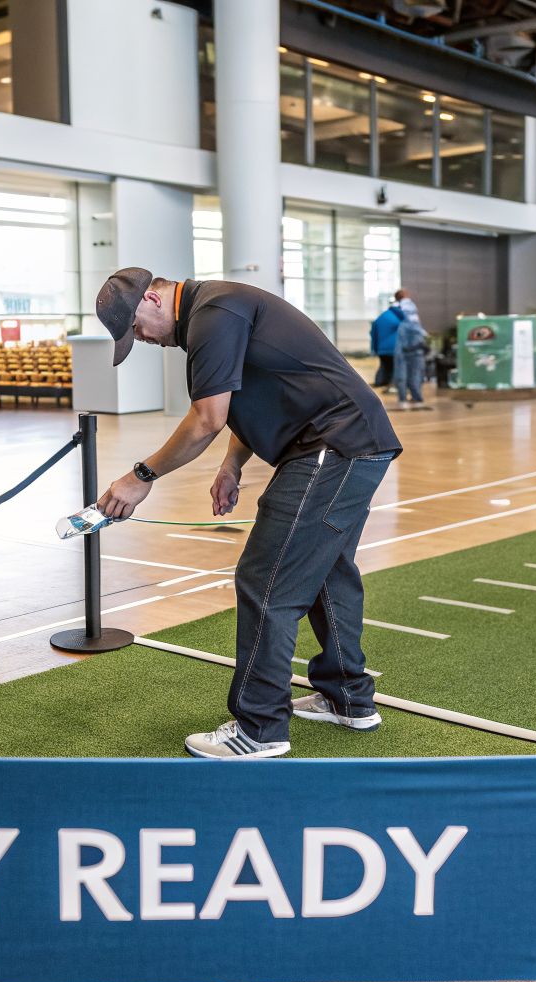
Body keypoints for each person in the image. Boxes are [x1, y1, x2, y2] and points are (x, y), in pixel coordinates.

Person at [91, 268, 402, 758]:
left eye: (136, 329)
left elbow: (206, 419)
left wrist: (139, 478)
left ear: (152, 299)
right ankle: (349, 699)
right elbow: (255, 394)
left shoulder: (214, 314)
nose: (142, 340)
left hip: (333, 444)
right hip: (348, 443)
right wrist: (232, 464)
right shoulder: (216, 310)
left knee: (267, 580)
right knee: (325, 572)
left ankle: (259, 729)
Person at [394, 303, 430, 410]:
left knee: (411, 377)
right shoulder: (408, 325)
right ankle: (410, 398)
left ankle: (410, 398)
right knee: (410, 377)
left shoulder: (407, 325)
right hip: (408, 354)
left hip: (410, 354)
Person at [370, 296, 402, 390]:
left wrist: (374, 349)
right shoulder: (399, 319)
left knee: (384, 366)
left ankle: (379, 382)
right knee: (394, 368)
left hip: (381, 349)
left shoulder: (380, 317)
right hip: (395, 348)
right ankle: (392, 386)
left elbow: (373, 335)